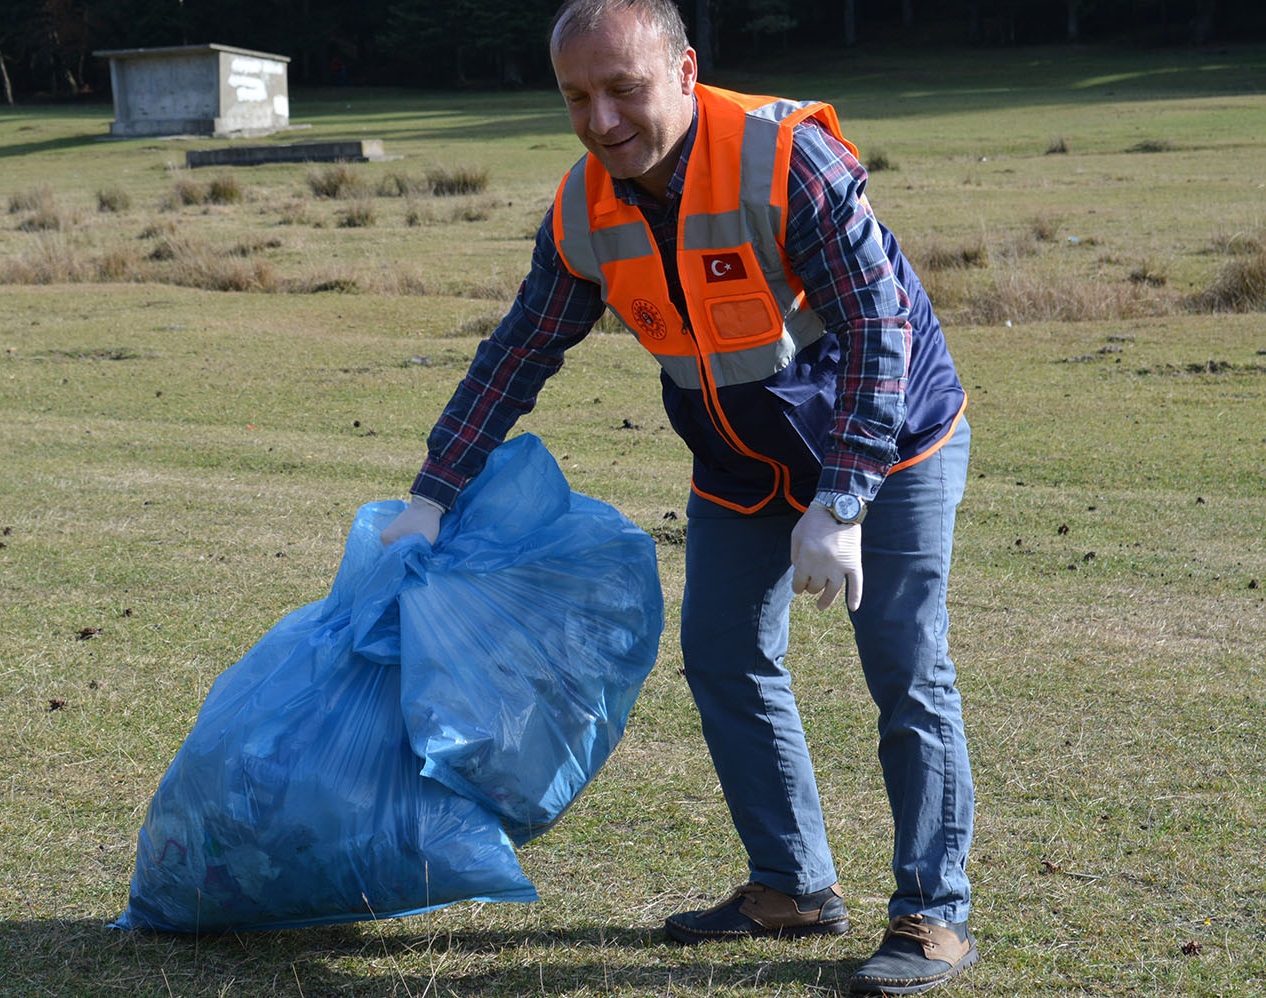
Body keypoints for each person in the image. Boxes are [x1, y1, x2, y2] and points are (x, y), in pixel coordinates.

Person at [380, 0, 977, 992]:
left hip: (892, 443)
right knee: (721, 652)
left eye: (623, 89)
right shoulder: (584, 208)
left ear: (686, 70)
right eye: (576, 97)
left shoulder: (785, 162)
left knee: (903, 666)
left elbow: (877, 327)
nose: (601, 121)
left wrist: (842, 499)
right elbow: (520, 349)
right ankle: (790, 884)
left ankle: (930, 912)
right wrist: (433, 490)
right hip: (740, 462)